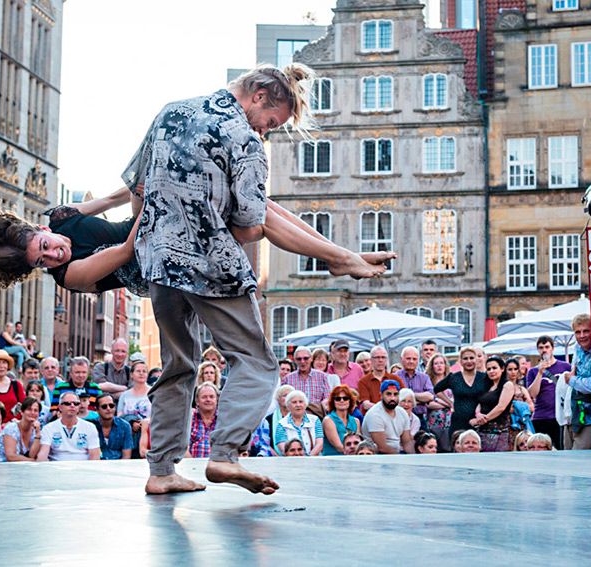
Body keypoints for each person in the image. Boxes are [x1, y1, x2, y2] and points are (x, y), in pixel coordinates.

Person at [125, 64, 394, 496]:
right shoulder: (244, 138)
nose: (266, 133)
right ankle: (225, 456)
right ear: (259, 95)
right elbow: (253, 222)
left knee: (179, 366)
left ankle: (161, 471)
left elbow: (137, 189)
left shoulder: (170, 113)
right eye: (271, 123)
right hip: (211, 265)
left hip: (159, 262)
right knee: (255, 362)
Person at [0, 186, 144, 295]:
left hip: (140, 224)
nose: (53, 255)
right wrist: (153, 203)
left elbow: (110, 200)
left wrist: (137, 186)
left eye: (45, 245)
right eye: (42, 261)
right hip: (145, 261)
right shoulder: (68, 275)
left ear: (43, 229)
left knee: (139, 179)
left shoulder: (62, 216)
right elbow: (127, 251)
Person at [433, 346, 488, 444]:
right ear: (460, 361)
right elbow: (437, 389)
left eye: (471, 358)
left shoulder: (484, 377)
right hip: (458, 422)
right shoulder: (454, 377)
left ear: (476, 359)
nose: (469, 361)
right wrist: (450, 403)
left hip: (478, 422)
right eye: (465, 358)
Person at [525, 336, 571, 449]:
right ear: (538, 350)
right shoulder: (533, 371)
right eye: (541, 347)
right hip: (542, 417)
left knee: (562, 448)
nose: (544, 350)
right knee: (541, 449)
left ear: (552, 348)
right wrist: (540, 373)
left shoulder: (565, 366)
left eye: (547, 347)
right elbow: (532, 394)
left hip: (561, 416)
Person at [563, 314, 591, 450]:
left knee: (582, 462)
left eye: (586, 331)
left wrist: (572, 380)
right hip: (573, 415)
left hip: (590, 418)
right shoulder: (577, 348)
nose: (582, 335)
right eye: (578, 332)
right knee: (568, 461)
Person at [37, 391, 101, 461]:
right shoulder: (48, 428)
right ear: (60, 407)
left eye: (76, 403)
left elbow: (95, 456)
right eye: (67, 403)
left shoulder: (90, 427)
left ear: (79, 407)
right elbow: (43, 453)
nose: (72, 405)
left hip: (82, 468)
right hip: (57, 469)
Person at [472, 356, 515, 452]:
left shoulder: (507, 385)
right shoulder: (487, 385)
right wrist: (478, 414)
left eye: (494, 368)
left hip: (499, 432)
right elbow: (479, 402)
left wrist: (484, 419)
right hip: (482, 431)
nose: (491, 371)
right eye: (488, 369)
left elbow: (501, 407)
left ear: (502, 369)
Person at [361, 380, 414, 454]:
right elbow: (382, 447)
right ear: (381, 395)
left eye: (395, 394)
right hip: (376, 456)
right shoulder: (374, 414)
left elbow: (407, 442)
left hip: (397, 453)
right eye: (388, 394)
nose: (392, 398)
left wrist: (412, 457)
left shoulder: (402, 413)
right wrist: (401, 458)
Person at [281, 346, 332, 417]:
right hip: (294, 419)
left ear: (311, 359)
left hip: (316, 418)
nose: (302, 361)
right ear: (295, 360)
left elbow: (327, 398)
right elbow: (283, 401)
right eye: (299, 359)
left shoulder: (322, 376)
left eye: (305, 358)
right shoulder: (288, 379)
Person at [0, 397, 43, 462]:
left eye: (36, 410)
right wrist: (32, 461)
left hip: (18, 468)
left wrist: (38, 434)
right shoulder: (11, 428)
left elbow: (31, 455)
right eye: (29, 409)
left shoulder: (35, 430)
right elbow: (11, 457)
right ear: (22, 412)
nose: (32, 412)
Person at [275, 390, 323, 456]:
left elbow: (319, 443)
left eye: (301, 402)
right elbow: (283, 448)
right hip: (291, 462)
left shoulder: (315, 420)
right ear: (288, 406)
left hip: (313, 461)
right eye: (294, 402)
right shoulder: (281, 424)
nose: (298, 405)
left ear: (305, 404)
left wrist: (309, 459)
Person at [394, 347, 434, 427]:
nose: (411, 361)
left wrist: (407, 395)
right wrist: (420, 400)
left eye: (414, 359)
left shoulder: (424, 377)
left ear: (418, 360)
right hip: (398, 418)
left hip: (420, 418)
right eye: (408, 358)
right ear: (401, 359)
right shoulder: (394, 377)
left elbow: (430, 396)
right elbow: (395, 398)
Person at [357, 346, 405, 413]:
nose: (380, 360)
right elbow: (366, 405)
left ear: (386, 360)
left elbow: (404, 399)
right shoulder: (363, 381)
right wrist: (387, 408)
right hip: (373, 417)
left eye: (383, 357)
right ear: (371, 360)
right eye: (377, 357)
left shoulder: (395, 379)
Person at [424, 353, 454, 452]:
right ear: (432, 366)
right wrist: (448, 404)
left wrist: (438, 401)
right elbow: (429, 403)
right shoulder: (428, 381)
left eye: (441, 363)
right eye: (436, 363)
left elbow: (456, 400)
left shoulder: (452, 379)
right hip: (434, 418)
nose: (439, 366)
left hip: (450, 418)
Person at [89, 394, 133, 460]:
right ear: (97, 410)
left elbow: (126, 456)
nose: (108, 408)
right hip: (96, 465)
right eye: (104, 406)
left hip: (119, 466)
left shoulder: (125, 426)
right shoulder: (90, 426)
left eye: (111, 406)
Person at [321, 385, 360, 455]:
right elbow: (338, 446)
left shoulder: (356, 421)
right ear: (333, 402)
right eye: (338, 399)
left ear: (350, 401)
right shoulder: (328, 420)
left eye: (345, 398)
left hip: (352, 460)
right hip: (332, 461)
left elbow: (358, 444)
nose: (342, 401)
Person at [189, 383, 219, 458]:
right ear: (197, 401)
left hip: (218, 467)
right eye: (204, 397)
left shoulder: (224, 420)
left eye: (211, 397)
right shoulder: (189, 419)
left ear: (217, 400)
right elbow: (183, 450)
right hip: (191, 466)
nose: (208, 400)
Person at [506, 358, 535, 435]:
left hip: (522, 425)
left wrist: (517, 406)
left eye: (515, 369)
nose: (513, 372)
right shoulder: (501, 388)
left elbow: (531, 407)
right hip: (505, 426)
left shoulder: (522, 389)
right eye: (510, 369)